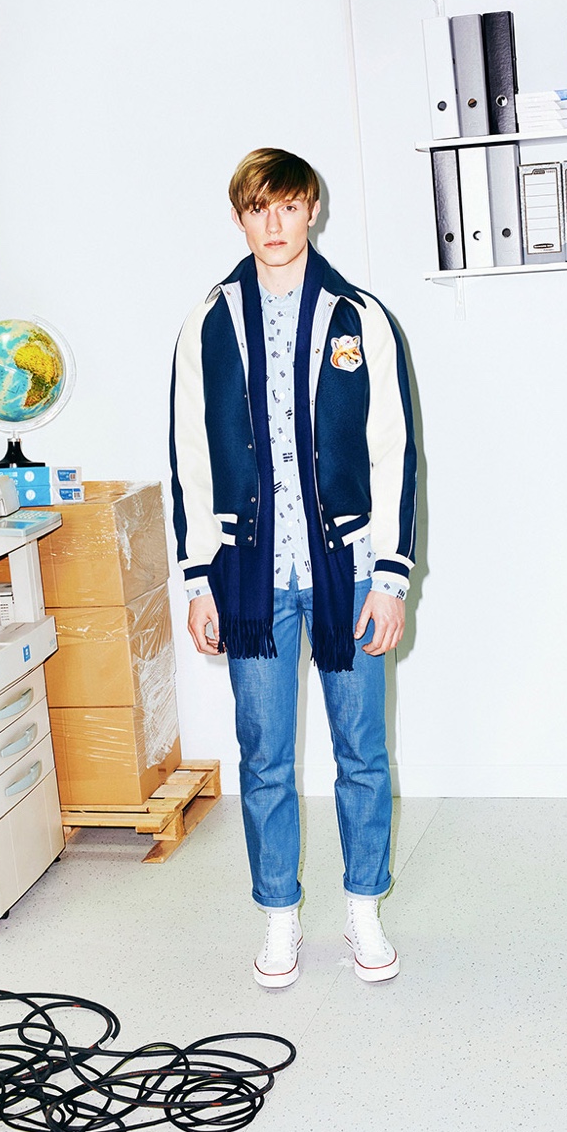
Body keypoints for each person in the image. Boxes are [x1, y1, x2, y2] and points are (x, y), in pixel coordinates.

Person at [169, 148, 417, 988]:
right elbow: (191, 457)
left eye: (287, 207)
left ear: (311, 209)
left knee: (362, 751)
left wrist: (391, 577)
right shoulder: (210, 321)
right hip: (251, 577)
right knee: (265, 754)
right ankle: (279, 915)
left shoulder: (360, 316)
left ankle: (363, 907)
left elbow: (394, 452)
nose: (273, 224)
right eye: (257, 209)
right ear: (240, 218)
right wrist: (198, 579)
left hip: (348, 571)